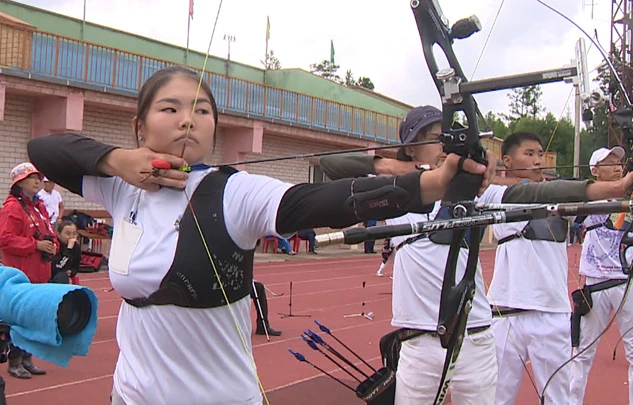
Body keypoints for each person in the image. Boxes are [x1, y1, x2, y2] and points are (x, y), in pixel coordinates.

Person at [26, 66, 493, 405]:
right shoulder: (118, 185)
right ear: (139, 125)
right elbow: (43, 150)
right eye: (171, 109)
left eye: (202, 111)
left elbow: (312, 202)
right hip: (130, 396)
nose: (188, 120)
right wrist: (118, 160)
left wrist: (426, 185)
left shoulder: (233, 192)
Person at [319, 106, 633, 405]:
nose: (446, 147)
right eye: (437, 139)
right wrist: (399, 166)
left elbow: (539, 192)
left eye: (450, 141)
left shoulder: (477, 190)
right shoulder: (391, 186)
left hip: (474, 336)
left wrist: (614, 189)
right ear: (411, 146)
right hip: (418, 340)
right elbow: (329, 164)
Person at [568, 147, 633, 405]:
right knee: (582, 353)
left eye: (619, 163)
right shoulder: (588, 196)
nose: (617, 167)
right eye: (609, 163)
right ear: (594, 170)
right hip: (596, 283)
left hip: (628, 282)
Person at [0, 162, 55, 379]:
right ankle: (14, 361)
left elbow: (49, 233)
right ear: (19, 182)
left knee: (33, 318)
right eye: (32, 178)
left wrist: (52, 246)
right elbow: (5, 239)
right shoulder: (13, 207)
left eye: (39, 178)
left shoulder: (39, 206)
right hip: (20, 274)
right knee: (18, 319)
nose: (38, 181)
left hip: (40, 272)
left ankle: (27, 358)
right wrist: (35, 246)